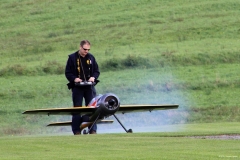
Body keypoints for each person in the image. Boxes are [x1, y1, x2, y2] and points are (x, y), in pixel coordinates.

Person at [65, 40, 100, 135]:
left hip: (89, 87)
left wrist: (93, 77)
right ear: (80, 47)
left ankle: (93, 130)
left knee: (93, 108)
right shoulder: (72, 58)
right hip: (77, 88)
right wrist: (74, 79)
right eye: (85, 49)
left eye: (88, 49)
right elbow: (67, 73)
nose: (86, 51)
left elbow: (96, 71)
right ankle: (76, 131)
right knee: (77, 108)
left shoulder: (91, 57)